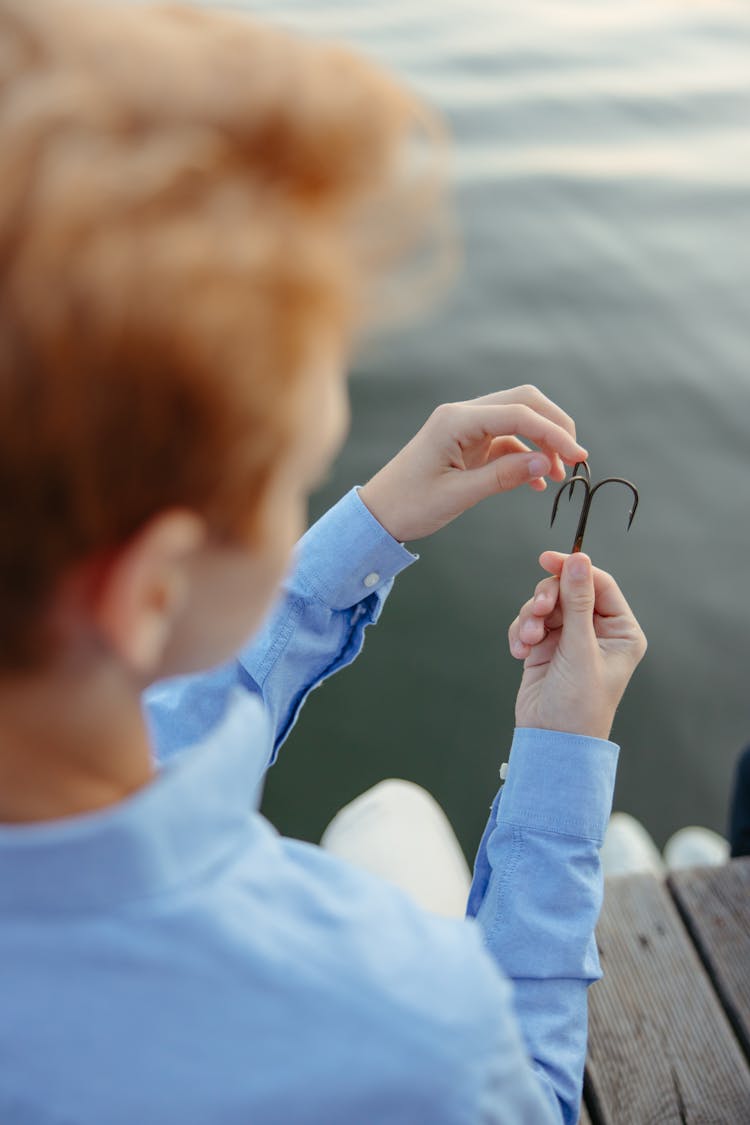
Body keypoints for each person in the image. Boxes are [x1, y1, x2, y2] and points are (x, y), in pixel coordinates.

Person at [0, 2, 647, 1123]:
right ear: (152, 584)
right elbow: (530, 1097)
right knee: (393, 819)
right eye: (289, 478)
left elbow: (138, 707)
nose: (303, 498)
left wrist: (374, 523)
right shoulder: (396, 1017)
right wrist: (558, 768)